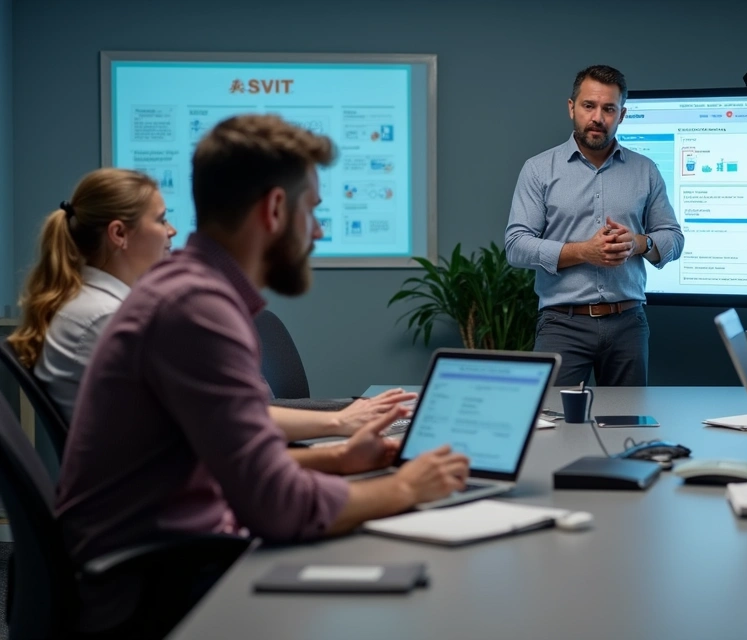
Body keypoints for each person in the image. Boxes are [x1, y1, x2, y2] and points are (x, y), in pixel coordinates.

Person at [55, 114, 470, 633]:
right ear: (275, 209)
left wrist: (341, 460)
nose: (317, 231)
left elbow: (237, 466)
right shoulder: (195, 308)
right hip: (153, 586)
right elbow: (274, 505)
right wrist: (406, 487)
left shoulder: (190, 291)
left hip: (172, 553)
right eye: (313, 211)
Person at [7, 168, 410, 435]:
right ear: (118, 234)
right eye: (161, 218)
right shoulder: (106, 317)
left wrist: (343, 422)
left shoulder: (103, 307)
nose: (172, 230)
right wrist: (341, 422)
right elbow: (222, 420)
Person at [505, 64, 684, 386]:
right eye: (589, 106)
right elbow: (516, 246)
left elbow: (673, 238)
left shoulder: (645, 170)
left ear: (622, 114)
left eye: (609, 108)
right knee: (552, 423)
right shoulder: (538, 170)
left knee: (628, 425)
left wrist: (638, 244)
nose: (598, 117)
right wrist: (583, 251)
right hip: (562, 323)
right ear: (572, 107)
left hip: (628, 322)